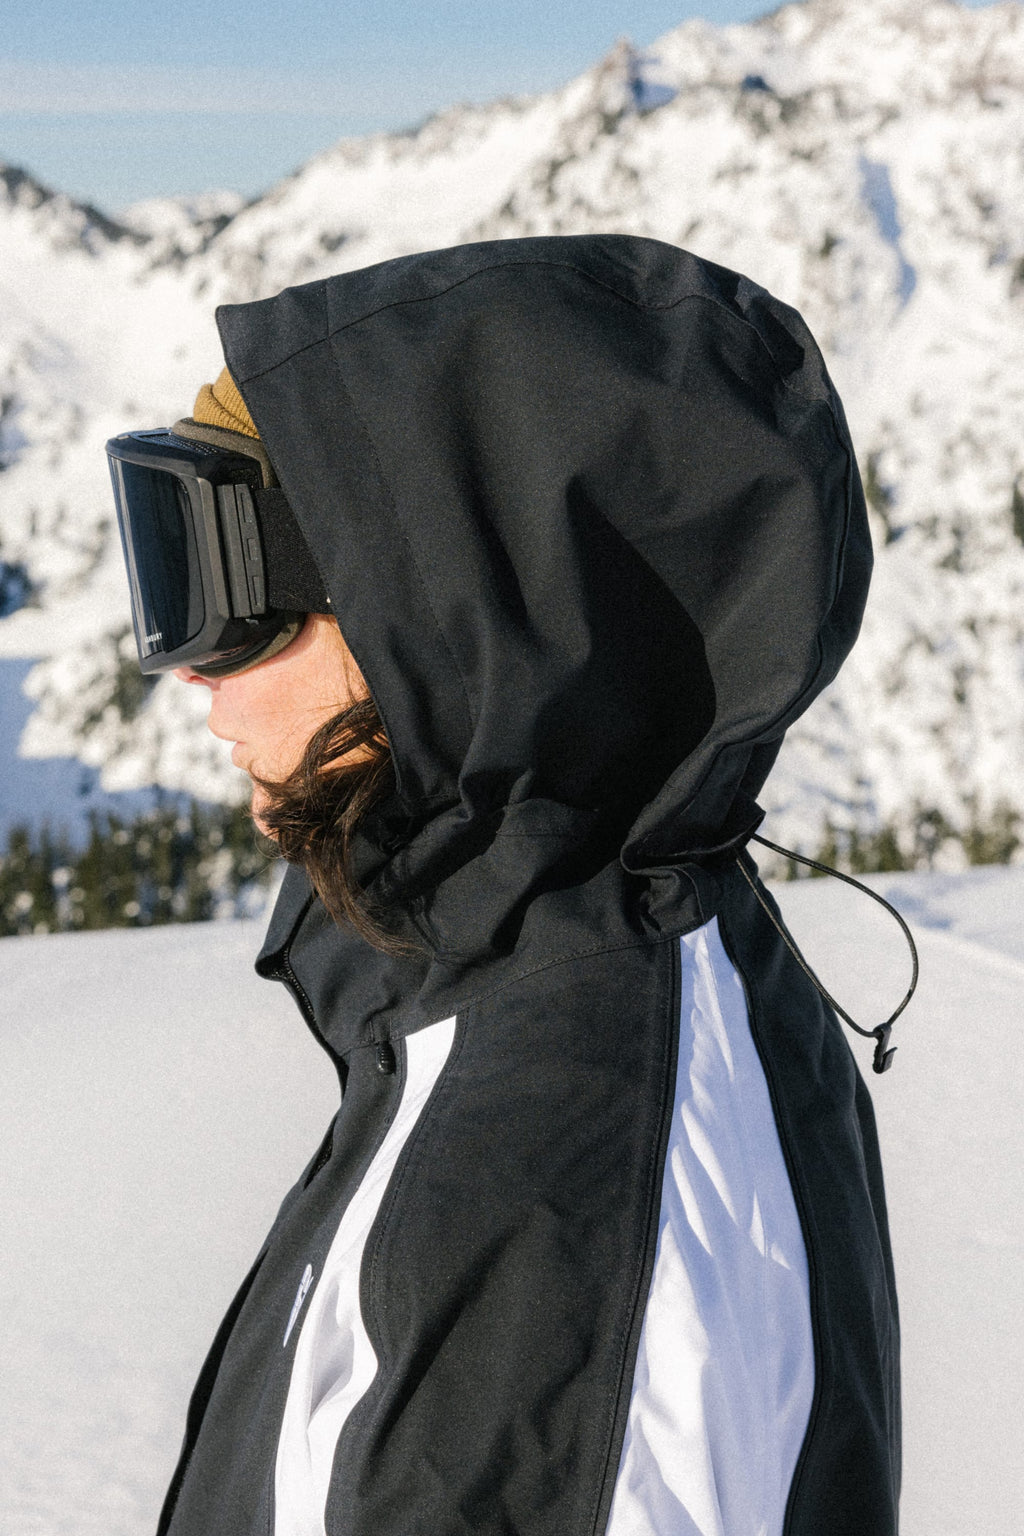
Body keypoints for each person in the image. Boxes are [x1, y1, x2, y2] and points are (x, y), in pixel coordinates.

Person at [106, 235, 899, 1536]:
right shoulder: (535, 988)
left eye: (225, 593)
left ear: (444, 615)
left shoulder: (546, 1203)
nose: (190, 670)